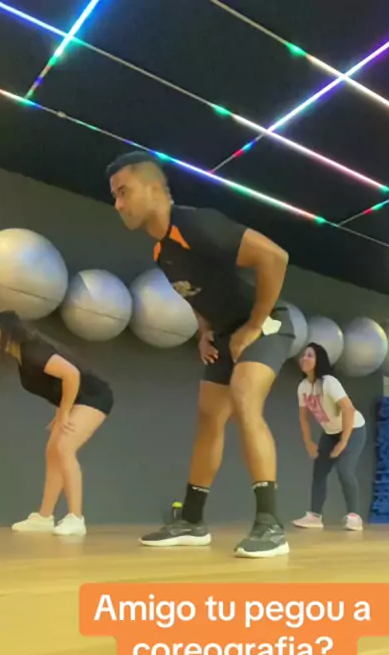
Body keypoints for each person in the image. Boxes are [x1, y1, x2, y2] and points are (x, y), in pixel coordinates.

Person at [107, 151, 294, 558]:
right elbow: (193, 292)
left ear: (154, 189)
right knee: (209, 419)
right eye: (114, 196)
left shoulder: (199, 225)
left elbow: (275, 257)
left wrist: (253, 326)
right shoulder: (162, 253)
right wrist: (205, 331)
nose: (118, 203)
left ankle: (271, 525)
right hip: (226, 333)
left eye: (124, 191)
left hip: (268, 322)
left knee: (244, 397)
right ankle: (191, 522)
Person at [0, 310, 113, 536]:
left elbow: (72, 375)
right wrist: (60, 413)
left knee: (64, 447)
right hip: (77, 399)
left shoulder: (33, 351)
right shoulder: (21, 355)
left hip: (94, 396)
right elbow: (58, 386)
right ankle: (44, 517)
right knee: (53, 452)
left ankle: (76, 518)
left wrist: (65, 413)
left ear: (8, 330)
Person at [293, 342, 366, 531]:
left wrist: (344, 441)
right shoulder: (303, 387)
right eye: (303, 355)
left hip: (354, 428)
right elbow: (303, 418)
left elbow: (348, 409)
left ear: (319, 360)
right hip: (330, 433)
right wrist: (308, 442)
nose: (304, 358)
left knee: (345, 469)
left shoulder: (328, 382)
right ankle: (315, 516)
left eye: (310, 355)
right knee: (319, 472)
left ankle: (354, 516)